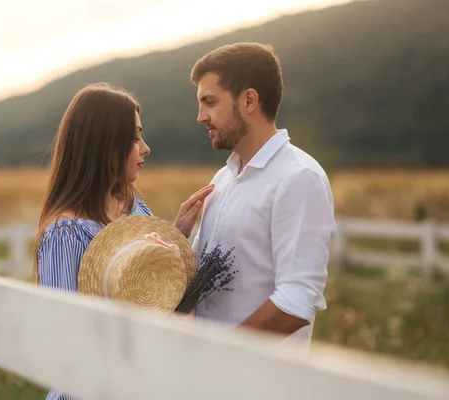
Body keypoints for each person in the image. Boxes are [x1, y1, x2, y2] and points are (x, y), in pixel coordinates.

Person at [33, 82, 213, 400]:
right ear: (104, 144)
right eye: (134, 137)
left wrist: (177, 233)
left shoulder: (130, 203)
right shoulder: (65, 234)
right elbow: (65, 339)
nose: (145, 148)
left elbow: (140, 282)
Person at [189, 43, 337, 350]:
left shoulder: (298, 177)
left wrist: (221, 356)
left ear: (249, 100)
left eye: (210, 102)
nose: (201, 116)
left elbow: (296, 301)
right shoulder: (222, 179)